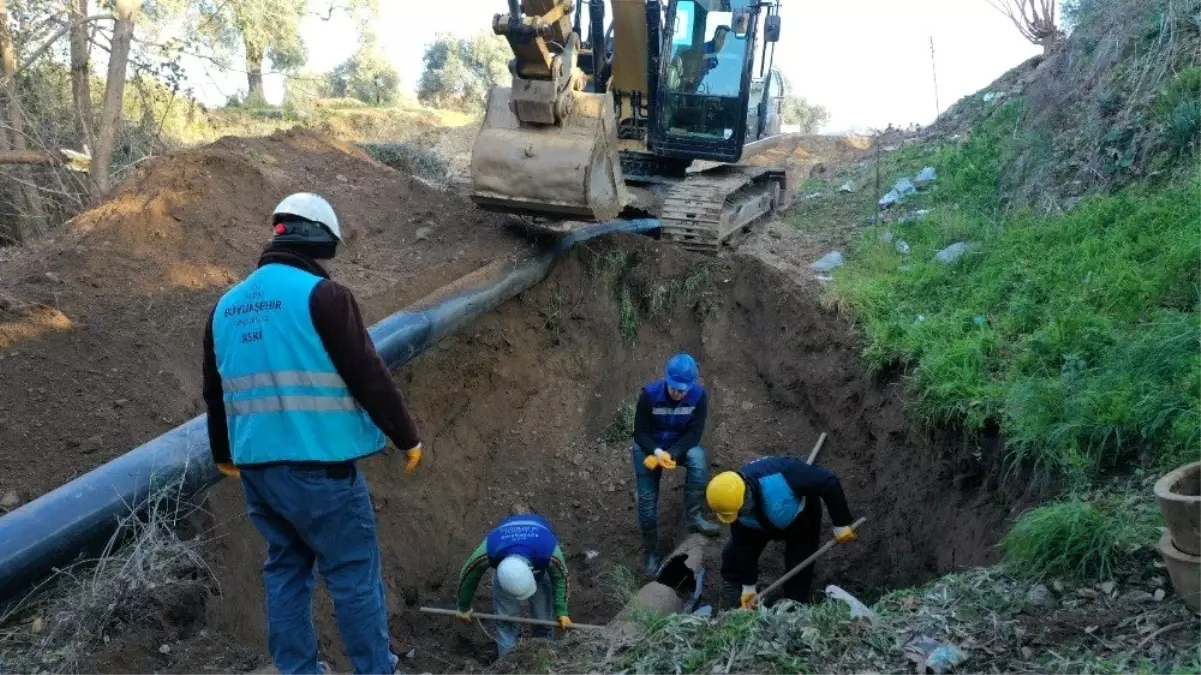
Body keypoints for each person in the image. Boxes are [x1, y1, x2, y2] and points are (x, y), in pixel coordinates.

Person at [202, 192, 424, 675]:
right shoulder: (322, 295)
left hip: (259, 471)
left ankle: (298, 670)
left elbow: (215, 393)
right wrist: (406, 435)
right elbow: (367, 372)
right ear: (320, 241)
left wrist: (224, 453)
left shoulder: (225, 307)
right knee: (352, 575)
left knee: (285, 569)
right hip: (321, 471)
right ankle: (374, 670)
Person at [706, 455, 857, 610]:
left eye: (738, 511)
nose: (736, 516)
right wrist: (749, 588)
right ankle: (732, 602)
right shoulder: (733, 505)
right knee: (733, 555)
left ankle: (791, 608)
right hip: (759, 526)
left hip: (801, 520)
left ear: (745, 496)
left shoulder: (783, 474)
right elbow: (744, 548)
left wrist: (841, 523)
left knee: (799, 570)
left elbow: (828, 482)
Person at [632, 352, 721, 577]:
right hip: (649, 450)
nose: (678, 393)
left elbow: (694, 434)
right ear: (666, 380)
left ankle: (695, 517)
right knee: (647, 502)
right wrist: (657, 452)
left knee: (698, 457)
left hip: (678, 447)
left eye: (683, 389)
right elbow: (640, 433)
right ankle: (652, 552)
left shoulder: (699, 397)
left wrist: (671, 453)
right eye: (674, 388)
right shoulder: (649, 396)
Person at [455, 510, 572, 659]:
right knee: (506, 623)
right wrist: (463, 606)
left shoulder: (548, 550)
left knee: (543, 621)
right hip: (506, 571)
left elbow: (561, 577)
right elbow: (468, 574)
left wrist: (562, 611)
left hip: (539, 567)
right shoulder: (490, 549)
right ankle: (506, 665)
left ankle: (545, 659)